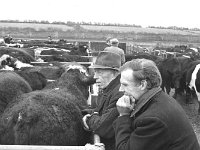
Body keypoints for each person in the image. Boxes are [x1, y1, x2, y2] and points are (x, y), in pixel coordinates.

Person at [113, 58, 200, 150]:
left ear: (143, 85)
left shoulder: (153, 119)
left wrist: (123, 115)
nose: (120, 89)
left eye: (125, 85)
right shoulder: (160, 99)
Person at [82, 51, 124, 150]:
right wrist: (86, 112)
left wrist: (88, 119)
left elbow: (102, 127)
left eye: (100, 72)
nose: (95, 76)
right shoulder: (108, 89)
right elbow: (99, 111)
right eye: (95, 71)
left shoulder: (120, 93)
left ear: (115, 73)